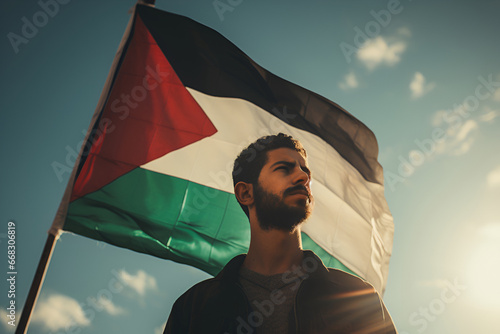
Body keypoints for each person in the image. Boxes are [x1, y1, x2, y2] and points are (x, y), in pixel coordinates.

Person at [165, 133, 397, 333]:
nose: (303, 177)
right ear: (245, 193)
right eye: (284, 169)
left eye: (305, 171)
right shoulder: (194, 307)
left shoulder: (357, 297)